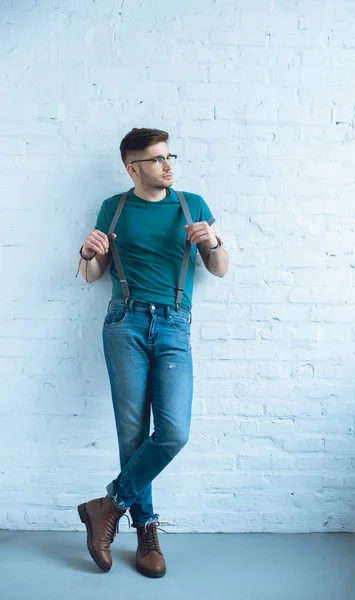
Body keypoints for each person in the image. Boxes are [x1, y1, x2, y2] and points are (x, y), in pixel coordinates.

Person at [75, 127, 229, 578]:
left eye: (169, 156)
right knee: (132, 432)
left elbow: (218, 270)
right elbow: (92, 274)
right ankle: (146, 528)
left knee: (173, 432)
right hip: (125, 321)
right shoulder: (114, 208)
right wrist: (88, 253)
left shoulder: (192, 205)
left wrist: (212, 243)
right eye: (157, 159)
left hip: (174, 326)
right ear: (133, 168)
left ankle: (108, 505)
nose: (168, 165)